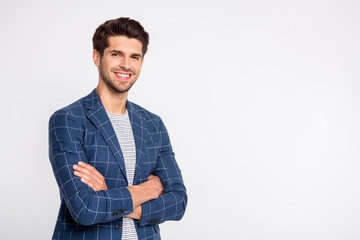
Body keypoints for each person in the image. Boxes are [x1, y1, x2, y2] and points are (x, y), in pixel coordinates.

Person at [48, 17, 187, 240]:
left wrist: (106, 193)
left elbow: (178, 203)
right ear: (97, 57)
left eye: (134, 56)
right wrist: (146, 191)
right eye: (116, 54)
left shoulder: (153, 124)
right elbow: (84, 208)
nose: (126, 64)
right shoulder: (68, 120)